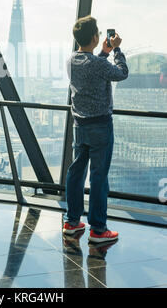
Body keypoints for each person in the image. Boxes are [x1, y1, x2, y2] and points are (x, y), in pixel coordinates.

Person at [63, 16, 128, 243]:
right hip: (100, 126)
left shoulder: (72, 60)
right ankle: (98, 230)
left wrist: (103, 52)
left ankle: (72, 222)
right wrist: (117, 50)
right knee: (99, 177)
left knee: (76, 173)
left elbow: (92, 69)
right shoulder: (98, 64)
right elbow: (121, 73)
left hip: (79, 127)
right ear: (94, 37)